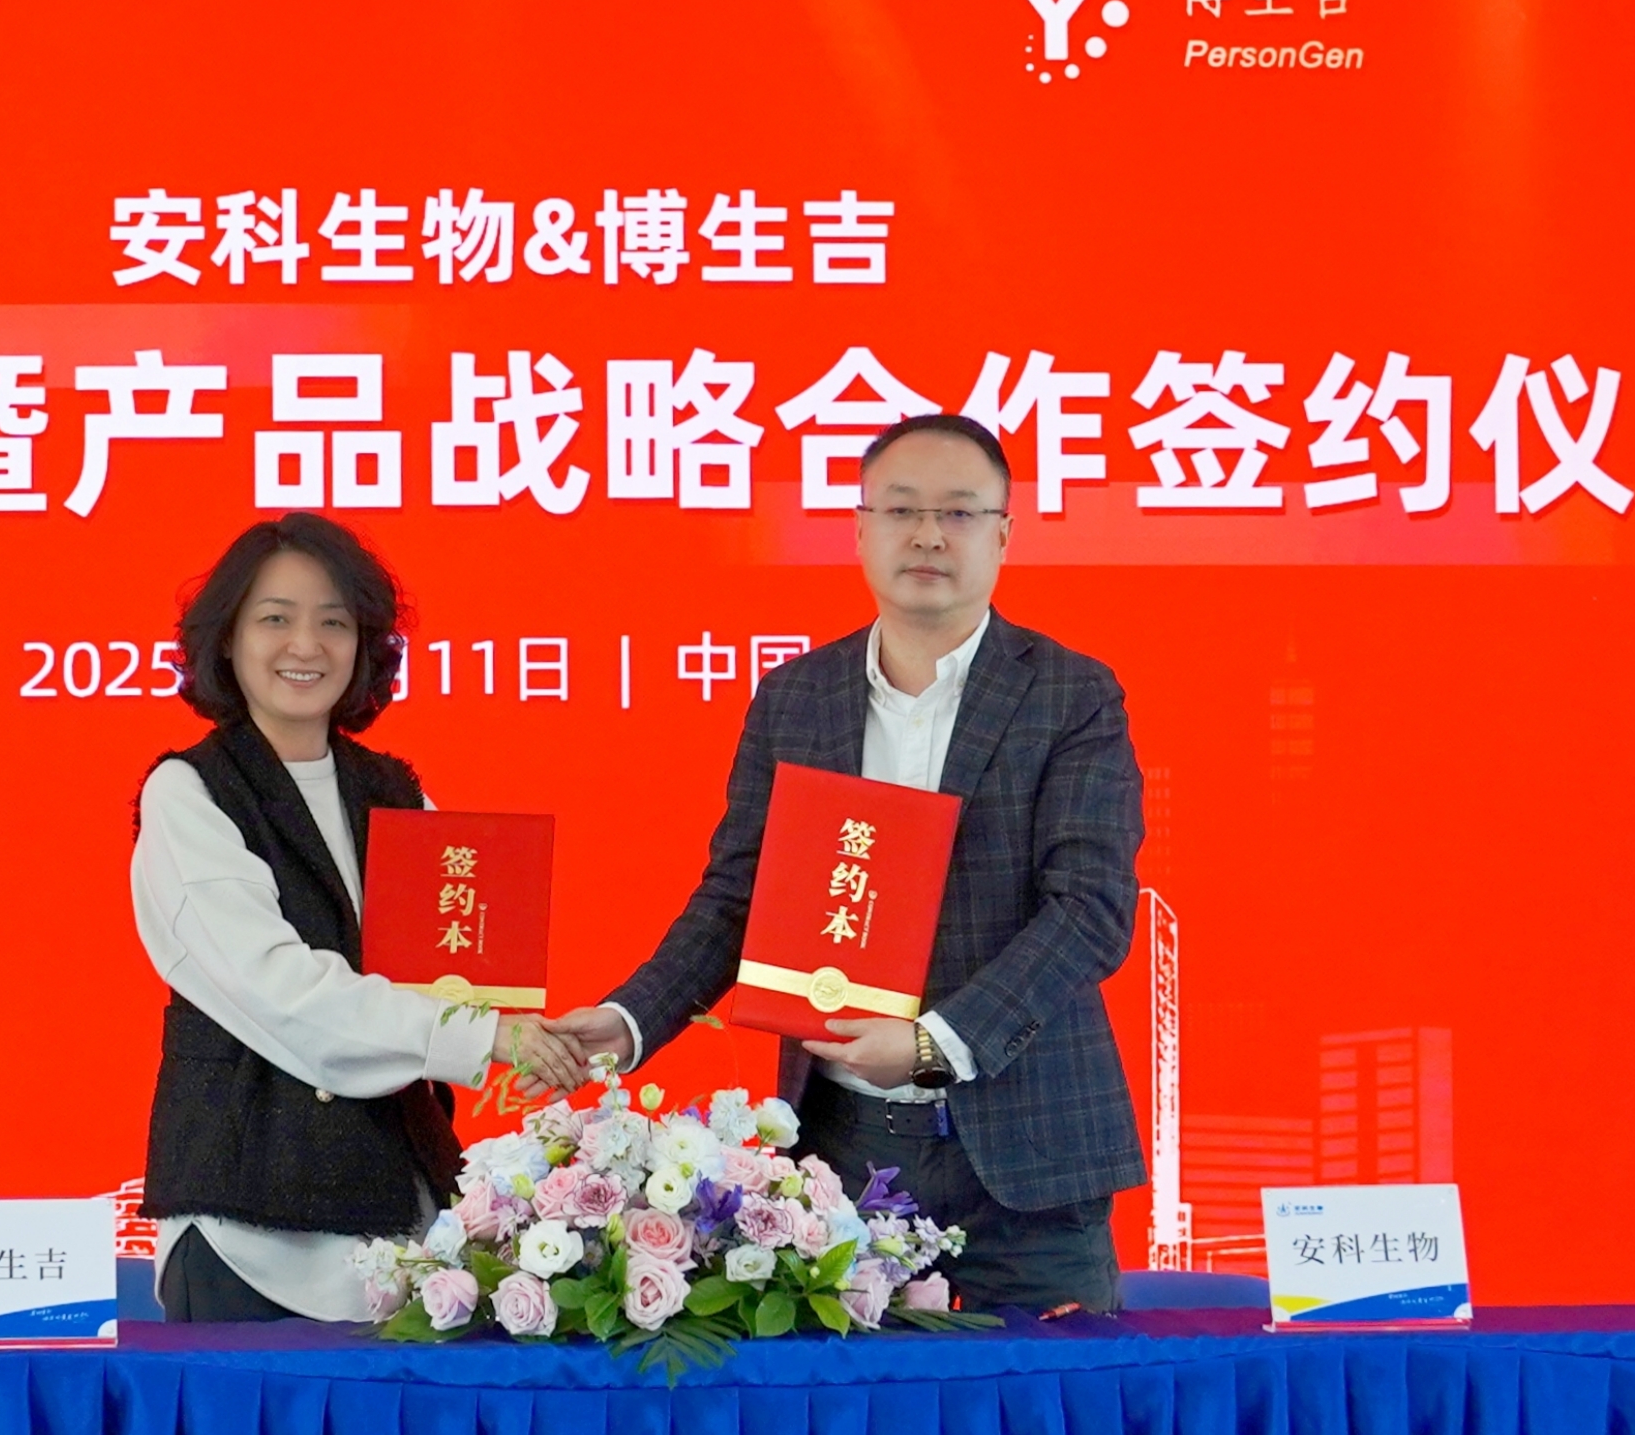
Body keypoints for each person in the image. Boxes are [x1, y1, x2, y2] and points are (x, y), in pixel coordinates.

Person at [552, 415, 1147, 1312]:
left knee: (1047, 1401)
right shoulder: (797, 698)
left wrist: (933, 1043)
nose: (928, 534)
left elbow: (1088, 911)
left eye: (959, 512)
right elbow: (737, 897)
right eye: (901, 509)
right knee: (849, 1404)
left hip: (1028, 1163)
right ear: (861, 529)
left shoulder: (1072, 693)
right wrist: (631, 1018)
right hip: (838, 1160)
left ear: (1003, 534)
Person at [132, 512, 585, 1320]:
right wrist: (491, 1036)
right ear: (227, 640)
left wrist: (536, 1035)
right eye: (275, 618)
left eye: (334, 622)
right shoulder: (189, 793)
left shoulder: (395, 793)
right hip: (248, 1239)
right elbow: (282, 991)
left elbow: (461, 975)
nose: (306, 644)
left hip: (400, 1230)